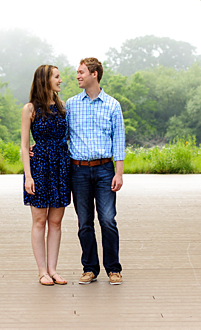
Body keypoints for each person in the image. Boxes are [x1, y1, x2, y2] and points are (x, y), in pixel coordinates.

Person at [66, 57, 125, 285]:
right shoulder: (71, 104)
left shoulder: (112, 105)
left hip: (104, 169)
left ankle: (113, 269)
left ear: (94, 74)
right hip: (78, 171)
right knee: (84, 222)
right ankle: (90, 268)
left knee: (108, 219)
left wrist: (118, 173)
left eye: (81, 72)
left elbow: (118, 140)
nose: (78, 76)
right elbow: (63, 136)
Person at [20, 65, 71, 286]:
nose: (61, 80)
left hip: (60, 165)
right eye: (57, 77)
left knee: (56, 221)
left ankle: (53, 269)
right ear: (45, 80)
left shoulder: (63, 107)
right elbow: (23, 146)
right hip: (39, 166)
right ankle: (42, 271)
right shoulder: (29, 108)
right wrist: (28, 176)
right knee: (39, 221)